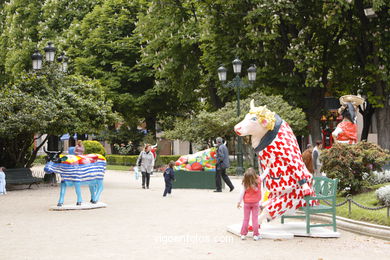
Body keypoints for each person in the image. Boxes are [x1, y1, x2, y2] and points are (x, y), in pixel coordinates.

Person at [237, 168, 262, 241]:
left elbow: (241, 193)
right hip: (255, 203)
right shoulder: (258, 180)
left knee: (246, 219)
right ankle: (256, 235)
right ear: (254, 175)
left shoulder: (245, 183)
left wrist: (239, 202)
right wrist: (268, 167)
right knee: (255, 220)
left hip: (247, 203)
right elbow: (264, 175)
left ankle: (243, 234)